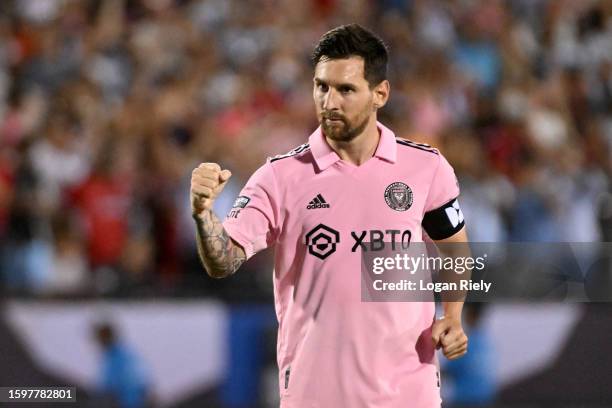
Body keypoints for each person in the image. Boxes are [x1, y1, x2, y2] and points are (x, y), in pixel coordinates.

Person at [191, 24, 469, 407]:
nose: (329, 101)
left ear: (380, 94)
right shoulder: (280, 177)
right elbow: (223, 261)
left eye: (346, 89)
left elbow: (456, 251)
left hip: (409, 395)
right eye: (321, 86)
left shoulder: (426, 168)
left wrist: (452, 315)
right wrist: (204, 215)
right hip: (315, 394)